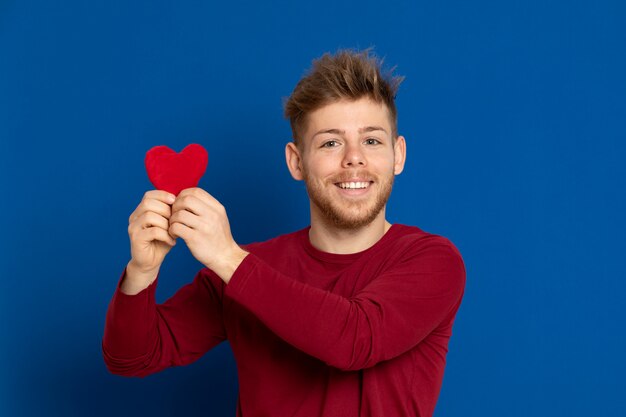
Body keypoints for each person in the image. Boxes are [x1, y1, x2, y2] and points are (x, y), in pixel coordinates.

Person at [102, 49, 466, 417]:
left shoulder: (433, 261)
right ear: (296, 161)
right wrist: (142, 273)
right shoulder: (243, 269)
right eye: (330, 142)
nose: (354, 158)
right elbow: (131, 358)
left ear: (398, 155)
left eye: (372, 140)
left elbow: (354, 340)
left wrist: (228, 257)